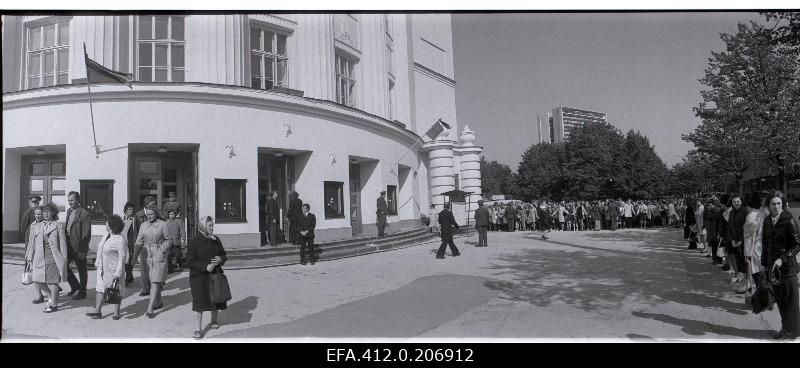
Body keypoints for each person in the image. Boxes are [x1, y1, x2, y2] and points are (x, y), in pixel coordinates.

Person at [760, 191, 800, 340]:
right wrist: (764, 264)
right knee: (781, 302)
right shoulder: (767, 220)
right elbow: (765, 244)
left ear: (782, 204)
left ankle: (792, 333)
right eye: (773, 204)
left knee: (791, 304)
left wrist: (782, 259)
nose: (776, 206)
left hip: (787, 269)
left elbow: (797, 245)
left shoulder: (788, 219)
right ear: (768, 205)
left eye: (778, 203)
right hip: (772, 269)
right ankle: (786, 330)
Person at [187, 216, 227, 339]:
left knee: (216, 298)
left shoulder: (215, 240)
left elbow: (223, 254)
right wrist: (205, 266)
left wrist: (221, 259)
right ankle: (198, 329)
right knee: (199, 301)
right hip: (198, 277)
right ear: (203, 226)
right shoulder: (194, 241)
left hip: (214, 274)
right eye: (209, 225)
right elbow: (190, 261)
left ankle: (214, 321)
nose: (212, 227)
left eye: (212, 225)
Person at [25, 203, 68, 313]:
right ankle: (51, 296)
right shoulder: (38, 225)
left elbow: (63, 244)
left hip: (53, 256)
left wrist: (64, 259)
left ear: (53, 213)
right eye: (44, 212)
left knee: (53, 281)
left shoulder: (59, 225)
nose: (46, 214)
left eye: (48, 212)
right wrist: (29, 256)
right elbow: (32, 243)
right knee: (36, 279)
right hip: (39, 256)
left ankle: (54, 304)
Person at [132, 205, 172, 318]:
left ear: (156, 214)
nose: (149, 216)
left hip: (158, 255)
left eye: (151, 214)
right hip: (146, 255)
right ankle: (158, 302)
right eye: (147, 214)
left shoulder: (163, 224)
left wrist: (162, 249)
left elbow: (169, 240)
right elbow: (139, 241)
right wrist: (134, 258)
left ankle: (150, 308)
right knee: (152, 279)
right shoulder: (143, 225)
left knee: (155, 280)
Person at [87, 215, 129, 320]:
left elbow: (122, 258)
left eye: (107, 223)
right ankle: (97, 310)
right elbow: (100, 249)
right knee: (100, 288)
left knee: (115, 290)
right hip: (102, 267)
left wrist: (118, 273)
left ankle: (116, 312)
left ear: (111, 225)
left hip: (114, 269)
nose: (105, 224)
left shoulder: (120, 240)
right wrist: (97, 263)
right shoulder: (106, 235)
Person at [64, 191, 91, 300]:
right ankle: (75, 285)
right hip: (68, 245)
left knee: (82, 269)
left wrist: (82, 250)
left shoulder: (84, 214)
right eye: (69, 200)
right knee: (64, 266)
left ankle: (82, 292)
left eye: (72, 200)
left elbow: (86, 234)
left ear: (78, 200)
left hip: (79, 246)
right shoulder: (69, 211)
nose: (70, 202)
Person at [24, 199, 47, 303]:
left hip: (43, 254)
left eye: (40, 214)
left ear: (43, 214)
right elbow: (30, 242)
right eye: (36, 214)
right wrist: (28, 255)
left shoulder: (46, 225)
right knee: (35, 276)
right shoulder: (33, 225)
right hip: (34, 254)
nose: (38, 216)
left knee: (42, 277)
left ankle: (52, 294)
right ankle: (39, 296)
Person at [164, 209, 186, 273]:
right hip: (168, 241)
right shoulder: (166, 222)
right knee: (168, 255)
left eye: (172, 214)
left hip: (177, 240)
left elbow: (182, 231)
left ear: (175, 214)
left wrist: (183, 239)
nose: (171, 215)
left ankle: (178, 265)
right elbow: (164, 231)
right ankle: (170, 269)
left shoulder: (179, 221)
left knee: (178, 255)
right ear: (168, 215)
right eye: (170, 214)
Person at [121, 202, 138, 286]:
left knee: (129, 261)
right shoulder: (122, 220)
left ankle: (128, 279)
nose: (131, 211)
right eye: (129, 209)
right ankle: (130, 277)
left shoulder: (134, 220)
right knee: (125, 261)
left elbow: (135, 232)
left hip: (131, 244)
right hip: (123, 243)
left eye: (132, 209)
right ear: (125, 210)